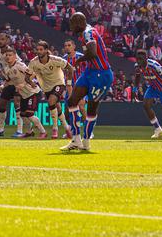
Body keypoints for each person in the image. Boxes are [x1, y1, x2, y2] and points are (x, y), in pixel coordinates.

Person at [61, 12, 113, 152]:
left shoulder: (88, 33)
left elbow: (93, 53)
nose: (71, 27)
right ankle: (76, 139)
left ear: (79, 22)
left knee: (91, 109)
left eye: (72, 24)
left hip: (101, 75)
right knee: (72, 101)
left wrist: (78, 60)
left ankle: (86, 140)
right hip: (89, 72)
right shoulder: (86, 30)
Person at [28, 40, 75, 139]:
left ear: (46, 50)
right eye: (37, 50)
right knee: (56, 106)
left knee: (51, 101)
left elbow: (70, 68)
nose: (39, 51)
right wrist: (31, 82)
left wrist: (69, 83)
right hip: (46, 87)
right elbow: (27, 77)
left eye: (41, 49)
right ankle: (67, 128)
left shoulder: (55, 60)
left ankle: (55, 129)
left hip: (58, 83)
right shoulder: (33, 62)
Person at [133, 50, 162, 141]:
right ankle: (158, 129)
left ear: (146, 59)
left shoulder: (154, 65)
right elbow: (138, 76)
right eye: (137, 59)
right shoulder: (137, 66)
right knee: (146, 105)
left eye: (141, 59)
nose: (139, 61)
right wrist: (135, 89)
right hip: (153, 87)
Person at [0, 48, 46, 139]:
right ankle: (29, 132)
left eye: (10, 55)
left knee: (29, 114)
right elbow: (9, 81)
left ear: (15, 56)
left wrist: (23, 84)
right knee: (23, 114)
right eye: (7, 55)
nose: (8, 57)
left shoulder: (20, 65)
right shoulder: (7, 69)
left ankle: (43, 132)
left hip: (33, 92)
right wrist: (1, 87)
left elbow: (32, 74)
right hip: (24, 95)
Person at [0, 34, 26, 137]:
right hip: (9, 81)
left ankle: (19, 130)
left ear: (7, 40)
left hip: (18, 81)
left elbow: (18, 65)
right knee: (2, 103)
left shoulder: (11, 52)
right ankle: (0, 130)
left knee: (17, 103)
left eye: (2, 39)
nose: (0, 41)